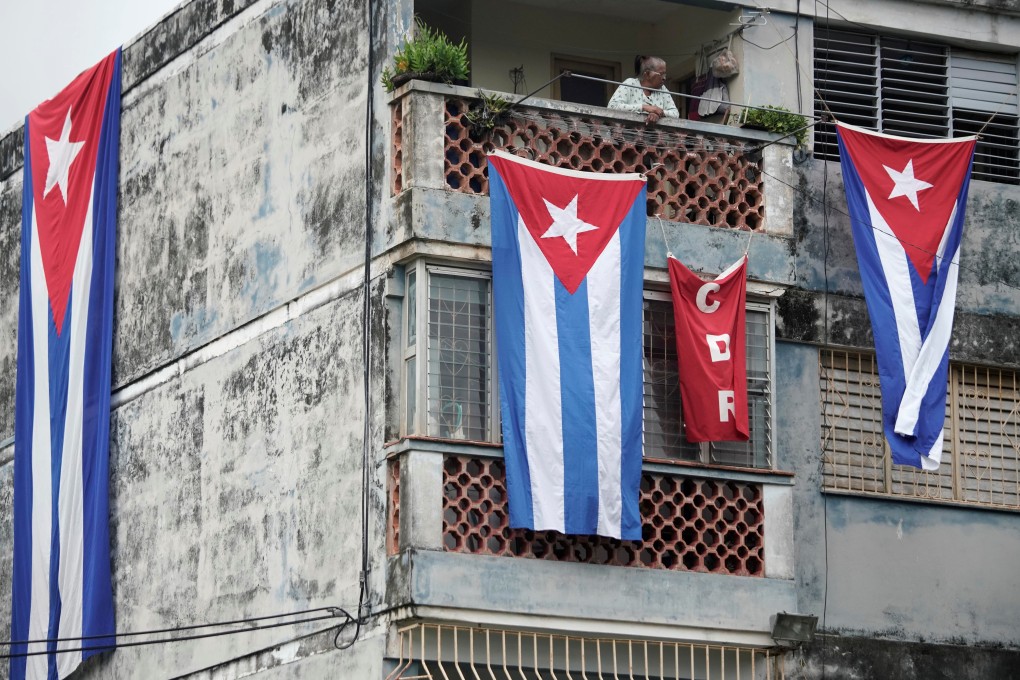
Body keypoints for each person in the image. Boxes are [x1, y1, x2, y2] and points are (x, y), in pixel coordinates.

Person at [607, 55, 680, 124]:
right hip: (627, 135)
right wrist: (644, 107)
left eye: (665, 74)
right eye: (661, 74)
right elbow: (612, 107)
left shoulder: (663, 89)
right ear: (647, 74)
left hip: (655, 136)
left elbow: (675, 114)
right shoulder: (630, 84)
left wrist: (658, 114)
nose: (664, 78)